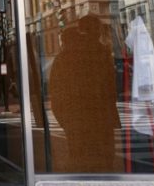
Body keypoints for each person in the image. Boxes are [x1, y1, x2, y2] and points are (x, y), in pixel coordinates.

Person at [48, 14, 121, 172]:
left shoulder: (65, 57)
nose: (99, 33)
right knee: (104, 165)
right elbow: (111, 91)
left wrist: (66, 123)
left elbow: (55, 94)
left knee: (80, 165)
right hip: (98, 123)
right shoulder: (102, 54)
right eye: (97, 29)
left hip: (78, 123)